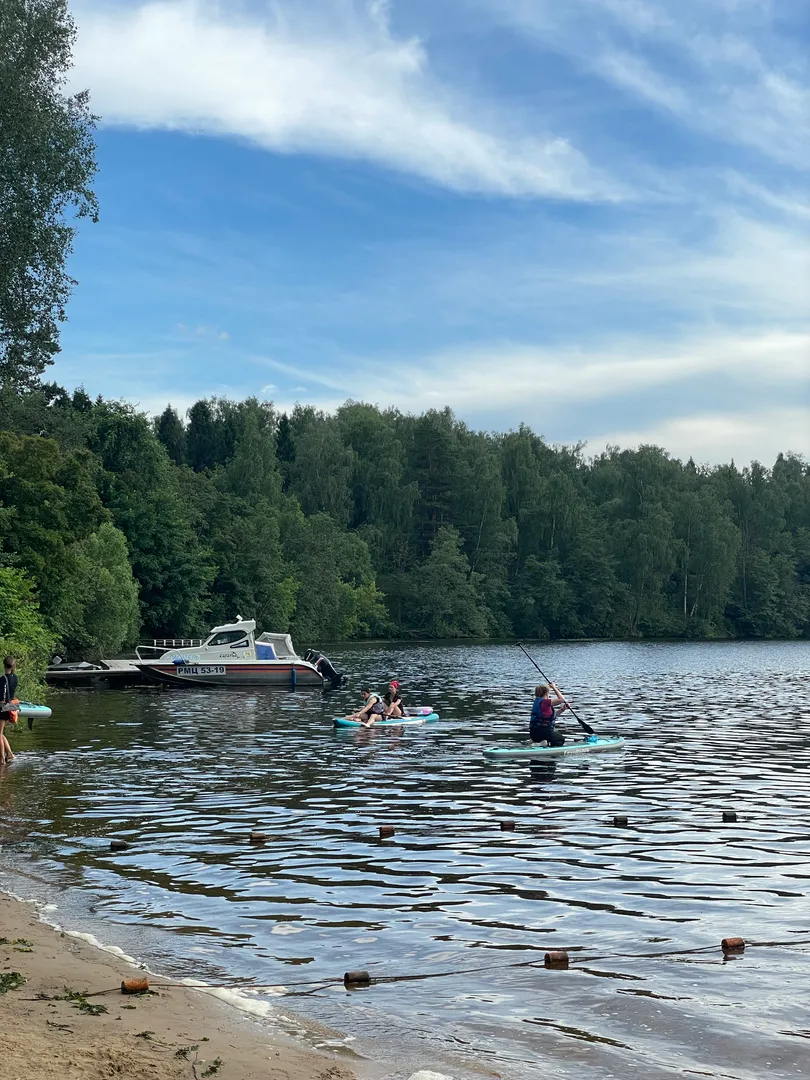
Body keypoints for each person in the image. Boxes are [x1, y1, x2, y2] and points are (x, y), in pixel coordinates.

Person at [529, 682, 568, 747]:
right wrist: (554, 687)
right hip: (543, 733)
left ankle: (539, 743)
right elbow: (562, 699)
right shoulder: (545, 702)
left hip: (534, 734)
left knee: (554, 736)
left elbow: (551, 717)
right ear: (546, 693)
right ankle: (544, 744)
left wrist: (562, 709)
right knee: (561, 740)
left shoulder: (537, 702)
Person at [1, 657, 19, 765]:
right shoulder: (15, 677)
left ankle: (2, 759)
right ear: (13, 666)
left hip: (3, 707)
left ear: (4, 665)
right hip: (12, 706)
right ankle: (10, 754)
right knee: (0, 732)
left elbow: (1, 696)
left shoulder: (3, 679)